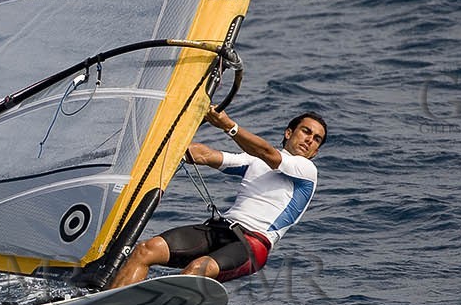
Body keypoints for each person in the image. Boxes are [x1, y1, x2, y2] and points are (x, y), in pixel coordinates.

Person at [108, 108, 326, 289]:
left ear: (316, 152)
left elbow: (268, 154)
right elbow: (205, 155)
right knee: (146, 249)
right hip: (222, 229)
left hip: (252, 244)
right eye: (306, 131)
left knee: (198, 269)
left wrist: (227, 125)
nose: (310, 140)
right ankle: (108, 303)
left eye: (317, 139)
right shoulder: (253, 161)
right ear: (289, 133)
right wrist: (167, 146)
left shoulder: (306, 171)